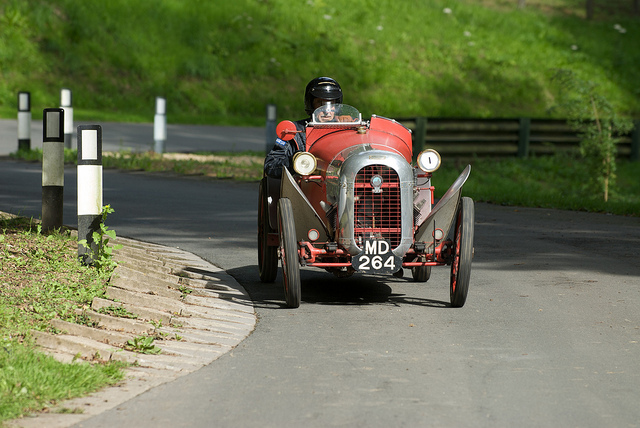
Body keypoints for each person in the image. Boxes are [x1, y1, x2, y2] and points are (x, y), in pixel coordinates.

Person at [264, 77, 343, 178]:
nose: (326, 110)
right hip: (306, 187)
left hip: (342, 187)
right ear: (311, 104)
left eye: (331, 104)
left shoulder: (348, 129)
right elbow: (271, 165)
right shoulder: (294, 131)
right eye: (320, 103)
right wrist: (297, 160)